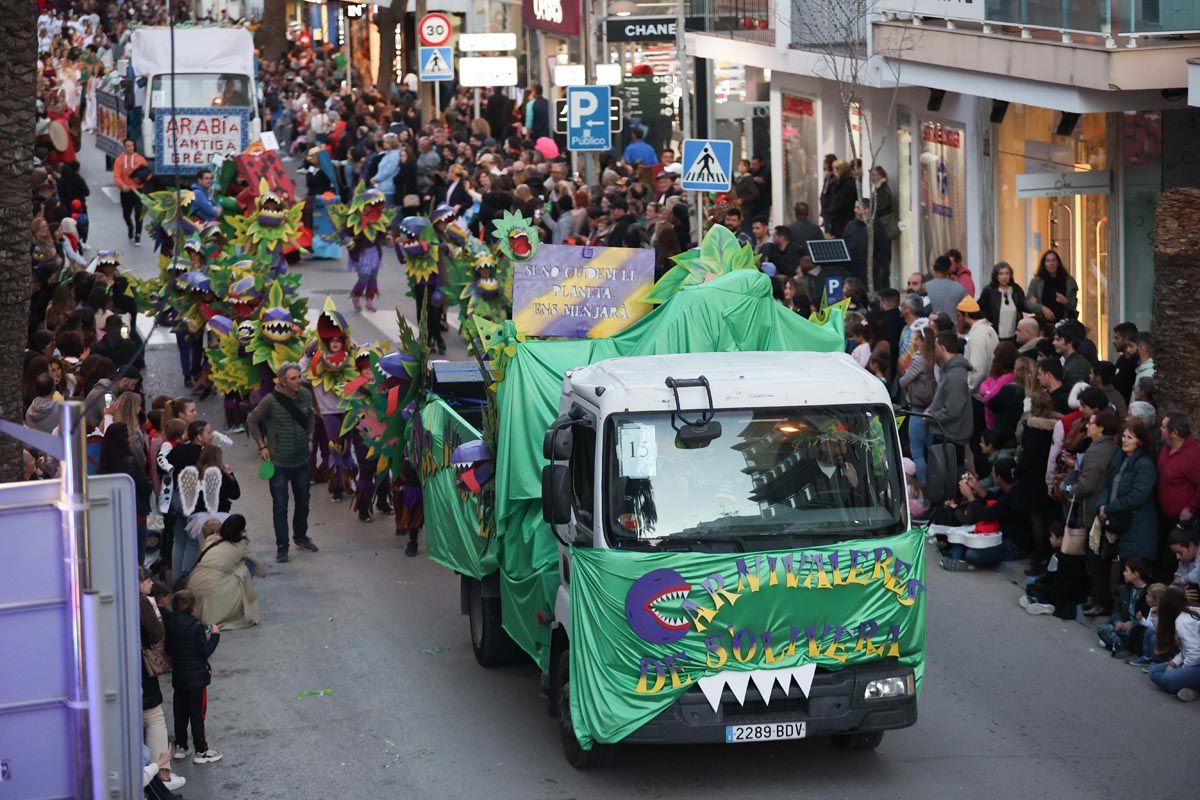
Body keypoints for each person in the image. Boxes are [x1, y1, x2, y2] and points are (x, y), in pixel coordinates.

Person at [247, 362, 319, 563]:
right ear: (282, 381)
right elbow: (252, 421)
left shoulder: (305, 395)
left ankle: (301, 536)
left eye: (299, 377)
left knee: (303, 501)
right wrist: (262, 446)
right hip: (279, 463)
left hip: (301, 460)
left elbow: (310, 417)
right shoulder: (270, 400)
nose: (298, 381)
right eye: (293, 378)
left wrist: (311, 437)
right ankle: (282, 546)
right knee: (280, 505)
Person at [1094, 420, 1160, 615]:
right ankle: (1114, 612)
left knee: (1134, 576)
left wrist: (1110, 507)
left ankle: (1130, 620)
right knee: (1120, 572)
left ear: (1140, 441)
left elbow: (1138, 496)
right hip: (1120, 522)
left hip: (1138, 526)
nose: (1124, 440)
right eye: (1123, 435)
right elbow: (1108, 485)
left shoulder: (1145, 465)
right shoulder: (1120, 458)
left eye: (1129, 437)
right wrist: (1101, 506)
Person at [1064, 410, 1121, 607]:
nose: (1088, 426)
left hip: (1093, 509)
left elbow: (1087, 485)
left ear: (1101, 428)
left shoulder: (1097, 451)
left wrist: (1071, 491)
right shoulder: (1108, 448)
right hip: (1098, 507)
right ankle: (1097, 596)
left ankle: (1101, 599)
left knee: (1095, 558)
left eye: (1092, 423)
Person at [163, 590, 223, 764]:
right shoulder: (196, 627)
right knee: (197, 714)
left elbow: (168, 649)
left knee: (180, 712)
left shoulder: (171, 624)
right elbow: (205, 651)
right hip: (196, 676)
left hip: (179, 675)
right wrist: (215, 636)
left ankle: (181, 746)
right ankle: (201, 750)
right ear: (192, 607)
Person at [186, 514, 267, 630]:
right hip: (214, 590)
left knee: (228, 567)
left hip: (194, 585)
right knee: (243, 568)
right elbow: (262, 571)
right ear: (242, 531)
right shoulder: (240, 545)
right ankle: (238, 605)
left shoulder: (210, 541)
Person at [99, 422, 152, 564]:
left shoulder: (105, 463)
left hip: (114, 517)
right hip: (136, 514)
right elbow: (144, 486)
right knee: (137, 555)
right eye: (127, 435)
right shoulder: (130, 462)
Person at [1146, 587, 1200, 701]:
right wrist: (1174, 663)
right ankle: (1191, 688)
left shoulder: (1183, 621)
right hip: (1193, 662)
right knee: (1154, 671)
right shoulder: (1184, 613)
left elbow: (1195, 654)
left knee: (1169, 677)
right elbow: (1186, 650)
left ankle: (1194, 690)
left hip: (1196, 663)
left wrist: (1182, 669)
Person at [929, 330, 973, 467]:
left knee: (949, 481)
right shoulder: (949, 370)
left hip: (950, 438)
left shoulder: (956, 375)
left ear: (942, 348)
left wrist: (932, 416)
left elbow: (953, 410)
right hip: (945, 435)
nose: (934, 350)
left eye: (935, 346)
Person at [898, 320, 935, 484]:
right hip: (933, 407)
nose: (915, 342)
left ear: (922, 341)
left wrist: (904, 369)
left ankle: (922, 487)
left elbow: (903, 381)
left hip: (918, 409)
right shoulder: (935, 359)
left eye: (917, 339)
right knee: (931, 450)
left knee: (917, 452)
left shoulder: (919, 360)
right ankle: (936, 482)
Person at [1097, 557, 1152, 657]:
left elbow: (1149, 617)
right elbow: (1117, 610)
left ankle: (1118, 645)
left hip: (1137, 629)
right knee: (1103, 628)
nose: (1123, 573)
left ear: (1136, 574)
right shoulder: (1124, 589)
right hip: (1123, 628)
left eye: (1126, 571)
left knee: (1141, 634)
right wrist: (1118, 622)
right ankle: (1121, 646)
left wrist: (1132, 623)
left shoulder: (1149, 593)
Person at [957, 295, 998, 397]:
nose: (958, 319)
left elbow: (977, 371)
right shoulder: (988, 329)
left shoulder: (977, 335)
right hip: (987, 390)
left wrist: (966, 390)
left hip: (978, 395)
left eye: (959, 316)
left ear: (966, 315)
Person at [977, 262, 1025, 342]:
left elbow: (1023, 306)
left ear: (1010, 275)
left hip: (1014, 337)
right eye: (1001, 273)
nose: (1004, 277)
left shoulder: (1016, 290)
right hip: (995, 336)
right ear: (996, 276)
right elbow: (979, 308)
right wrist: (986, 321)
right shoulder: (989, 291)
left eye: (1007, 273)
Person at [1025, 249, 1077, 323]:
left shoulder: (1069, 281)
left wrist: (1065, 301)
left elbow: (1073, 305)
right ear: (1044, 264)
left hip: (1065, 323)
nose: (1051, 263)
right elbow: (1028, 303)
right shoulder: (1036, 282)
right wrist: (1042, 308)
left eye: (1053, 260)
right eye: (1048, 261)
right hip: (1043, 323)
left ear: (1058, 263)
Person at [112, 137, 147, 244]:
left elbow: (147, 173)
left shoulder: (140, 159)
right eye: (127, 146)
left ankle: (138, 234)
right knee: (126, 214)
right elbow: (116, 176)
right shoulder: (119, 160)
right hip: (125, 191)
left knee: (138, 212)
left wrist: (141, 179)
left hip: (137, 191)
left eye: (131, 145)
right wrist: (123, 186)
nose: (129, 148)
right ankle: (130, 226)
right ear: (124, 147)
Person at [925, 256, 967, 321]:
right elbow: (969, 310)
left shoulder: (925, 288)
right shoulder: (959, 288)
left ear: (934, 268)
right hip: (951, 328)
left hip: (930, 328)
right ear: (949, 269)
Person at [824, 159, 857, 237]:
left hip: (843, 220)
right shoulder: (842, 183)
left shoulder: (845, 186)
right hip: (842, 219)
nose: (834, 171)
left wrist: (827, 212)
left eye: (835, 169)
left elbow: (839, 203)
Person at [1053, 325, 1092, 390]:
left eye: (1057, 339)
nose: (1053, 343)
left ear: (1069, 342)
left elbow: (1076, 392)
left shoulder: (1077, 365)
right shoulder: (1071, 360)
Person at [1112, 321, 1139, 402]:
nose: (1113, 341)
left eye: (1117, 338)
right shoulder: (1122, 359)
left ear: (1127, 340)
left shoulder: (1136, 363)